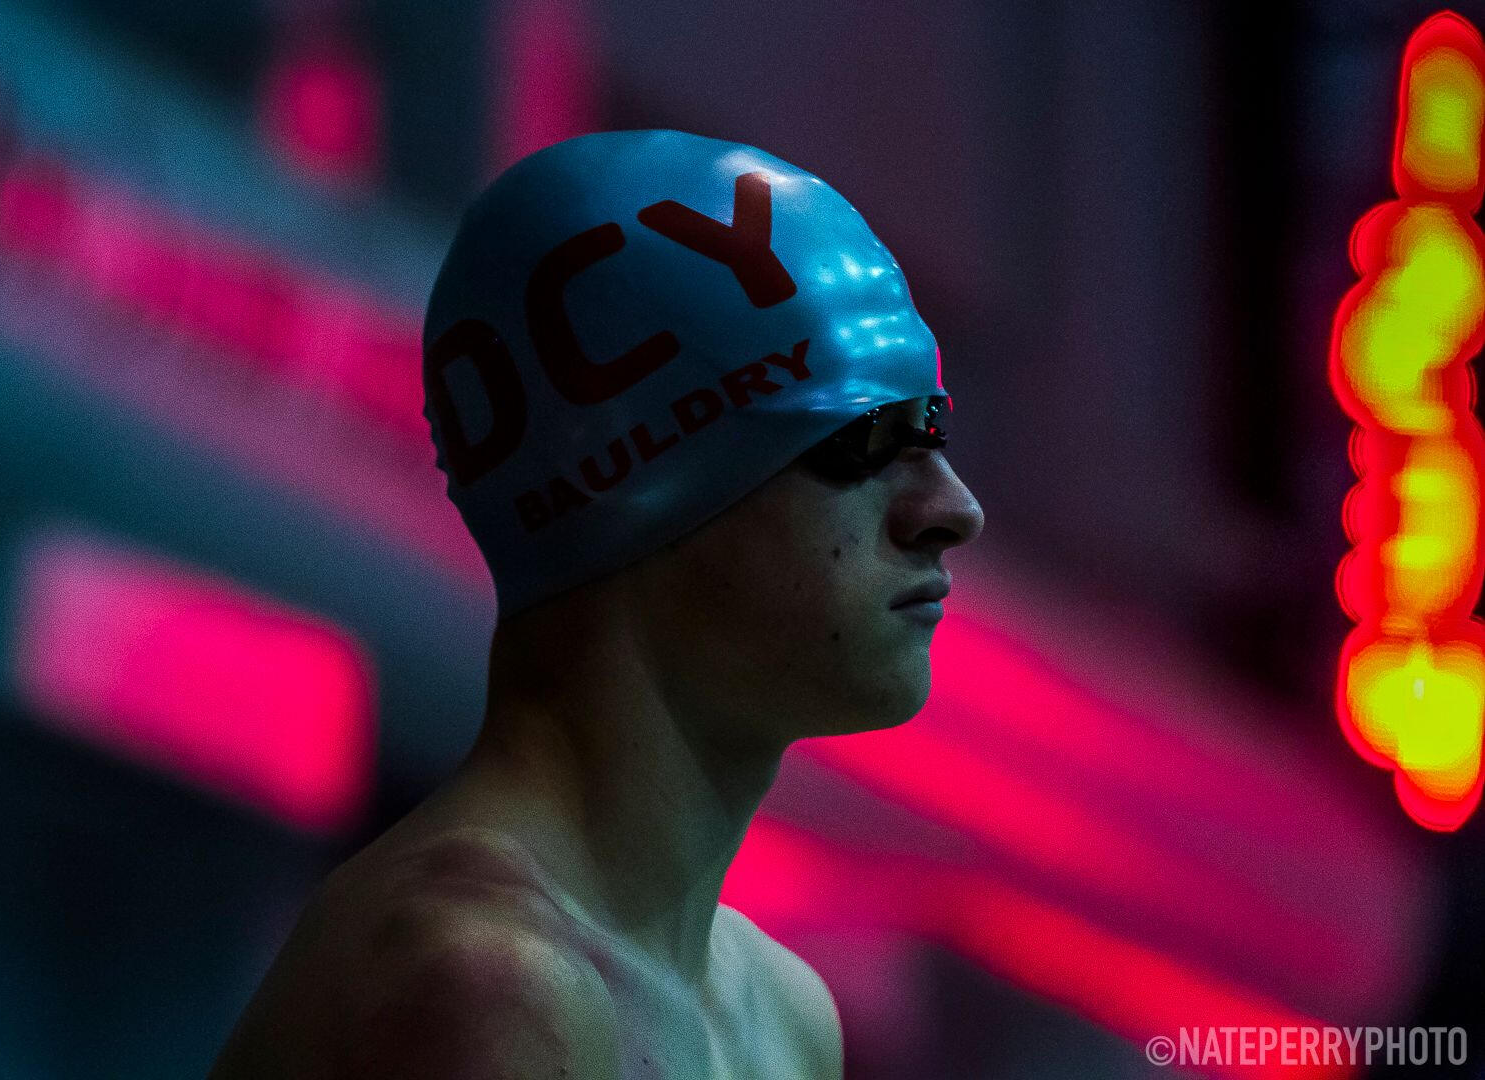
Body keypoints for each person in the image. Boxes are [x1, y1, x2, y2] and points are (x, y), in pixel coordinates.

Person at [206, 128, 984, 1079]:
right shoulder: (490, 989)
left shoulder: (784, 1016)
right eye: (864, 437)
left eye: (931, 430)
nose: (953, 510)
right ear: (648, 494)